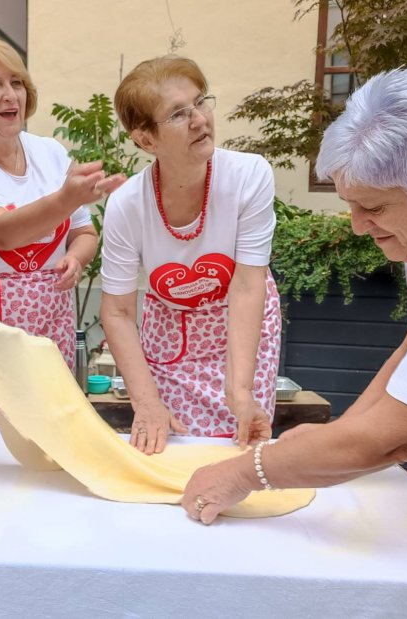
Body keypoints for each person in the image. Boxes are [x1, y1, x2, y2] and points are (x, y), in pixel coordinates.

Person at [181, 66, 407, 561]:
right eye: (352, 205)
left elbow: (397, 439)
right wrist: (340, 436)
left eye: (374, 208)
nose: (359, 227)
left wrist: (246, 470)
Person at [0, 37, 125, 429]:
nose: (11, 95)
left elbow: (83, 233)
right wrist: (66, 198)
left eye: (17, 82)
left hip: (48, 318)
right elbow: (0, 233)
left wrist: (76, 257)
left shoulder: (49, 153)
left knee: (52, 427)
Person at [99, 55, 282, 455]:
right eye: (179, 114)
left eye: (201, 102)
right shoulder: (128, 205)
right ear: (146, 139)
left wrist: (240, 389)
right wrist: (145, 403)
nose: (200, 119)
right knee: (169, 445)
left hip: (241, 321)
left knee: (237, 446)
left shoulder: (249, 176)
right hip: (170, 328)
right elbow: (117, 312)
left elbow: (248, 286)